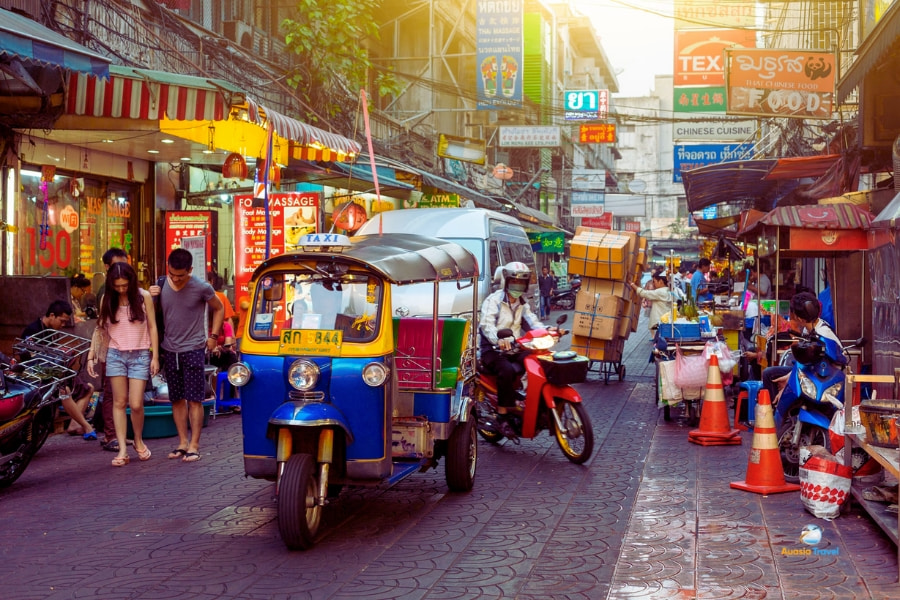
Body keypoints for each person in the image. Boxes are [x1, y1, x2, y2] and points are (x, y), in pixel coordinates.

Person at [150, 248, 224, 463]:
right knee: (176, 399)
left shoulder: (202, 287)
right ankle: (182, 442)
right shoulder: (161, 285)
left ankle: (194, 445)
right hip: (169, 349)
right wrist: (151, 296)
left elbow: (218, 309)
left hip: (193, 349)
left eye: (181, 275)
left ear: (190, 270)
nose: (176, 279)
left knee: (195, 399)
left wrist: (214, 336)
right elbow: (151, 316)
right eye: (172, 274)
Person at [88, 262, 158, 467]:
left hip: (140, 354)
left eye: (125, 285)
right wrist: (92, 355)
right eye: (117, 286)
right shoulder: (107, 299)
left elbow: (153, 327)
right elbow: (100, 330)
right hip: (115, 354)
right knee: (118, 403)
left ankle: (138, 440)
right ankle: (122, 449)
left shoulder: (143, 296)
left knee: (136, 404)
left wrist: (155, 356)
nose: (121, 289)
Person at [21, 301, 97, 441]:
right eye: (61, 321)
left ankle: (76, 424)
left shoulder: (49, 331)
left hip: (53, 372)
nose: (62, 325)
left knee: (88, 388)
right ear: (51, 315)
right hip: (37, 375)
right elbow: (28, 358)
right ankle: (86, 426)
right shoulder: (34, 330)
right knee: (64, 391)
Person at [479, 262, 547, 413]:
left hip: (515, 347)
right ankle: (503, 413)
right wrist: (498, 340)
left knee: (538, 362)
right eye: (514, 281)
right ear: (506, 281)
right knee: (506, 370)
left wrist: (549, 331)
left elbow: (532, 321)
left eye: (522, 282)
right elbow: (486, 325)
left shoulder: (523, 303)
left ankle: (526, 397)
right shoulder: (493, 300)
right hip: (493, 349)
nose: (518, 285)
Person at [761, 291, 844, 405]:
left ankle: (779, 410)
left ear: (799, 318)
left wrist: (788, 386)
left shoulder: (823, 334)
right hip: (811, 370)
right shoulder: (809, 328)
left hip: (824, 377)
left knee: (771, 375)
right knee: (769, 373)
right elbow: (806, 362)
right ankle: (775, 410)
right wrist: (788, 377)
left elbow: (824, 365)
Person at [93, 247, 130, 451]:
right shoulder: (106, 291)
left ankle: (118, 434)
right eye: (118, 265)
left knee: (120, 395)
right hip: (111, 348)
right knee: (111, 394)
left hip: (126, 348)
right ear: (107, 267)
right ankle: (110, 435)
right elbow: (102, 327)